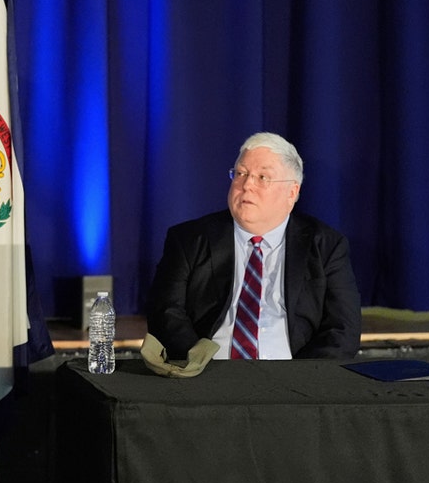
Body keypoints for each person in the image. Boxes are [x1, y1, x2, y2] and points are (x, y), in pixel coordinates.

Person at [147, 132, 361, 360]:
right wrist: (199, 366)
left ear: (292, 192)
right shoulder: (189, 239)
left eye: (262, 177)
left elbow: (343, 330)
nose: (246, 184)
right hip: (208, 375)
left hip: (294, 379)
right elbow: (166, 315)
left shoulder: (326, 245)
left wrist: (301, 381)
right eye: (240, 173)